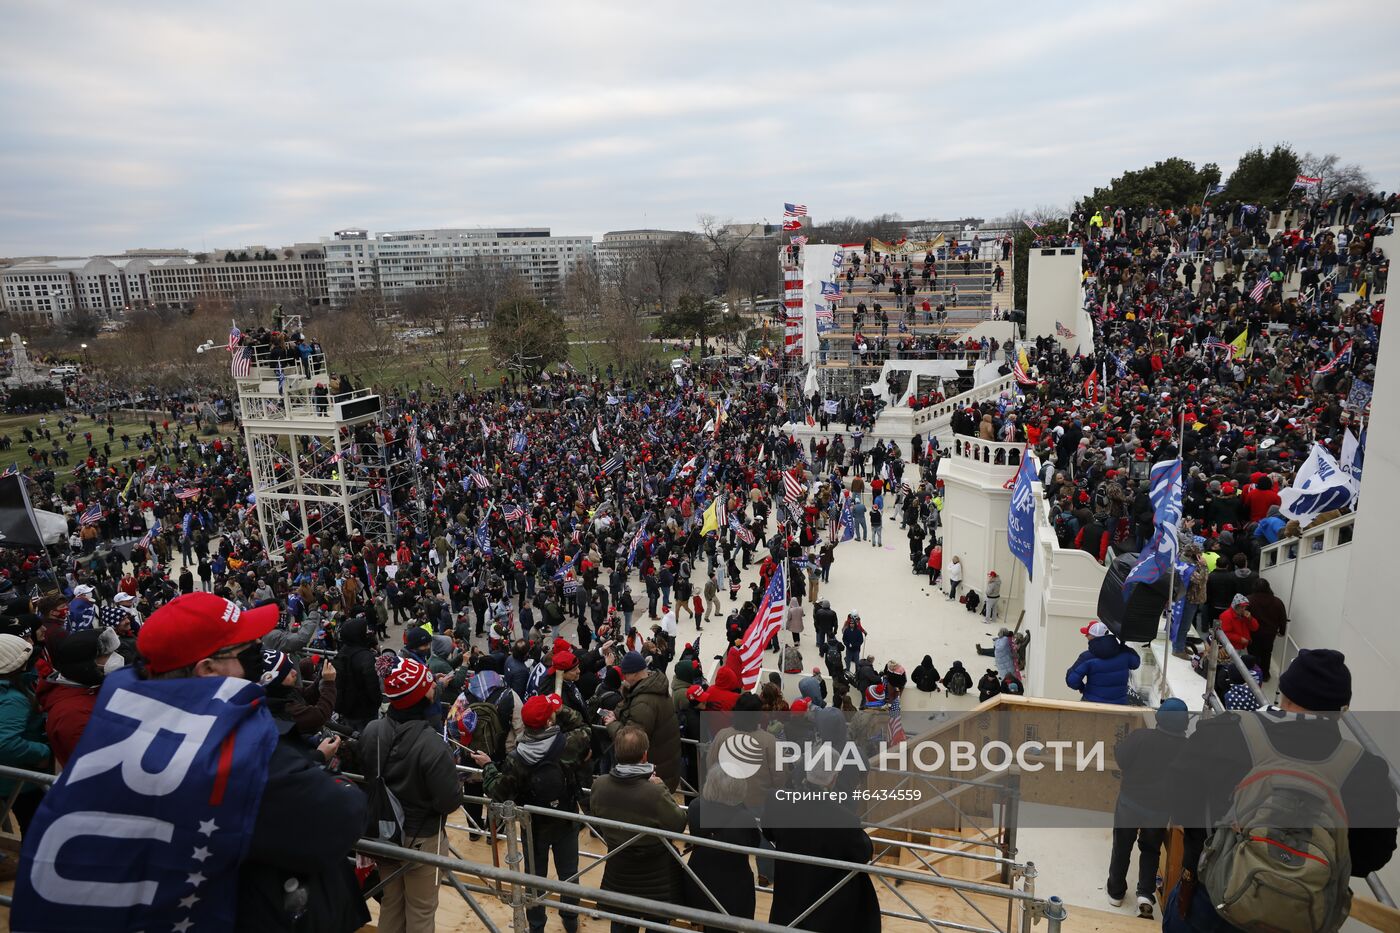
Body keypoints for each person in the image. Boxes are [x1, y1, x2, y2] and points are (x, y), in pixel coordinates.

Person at [1165, 650, 1399, 932]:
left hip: (1212, 903)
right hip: (1300, 914)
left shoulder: (1222, 733)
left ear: (1283, 692)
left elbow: (1178, 801)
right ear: (1341, 710)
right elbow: (1370, 858)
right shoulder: (1365, 770)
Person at [360, 656, 463, 933]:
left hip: (384, 833)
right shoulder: (432, 744)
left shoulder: (372, 730)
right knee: (421, 909)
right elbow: (449, 801)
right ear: (418, 697)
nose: (434, 688)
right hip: (422, 839)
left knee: (392, 902)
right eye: (429, 685)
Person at [480, 693, 590, 933]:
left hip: (534, 827)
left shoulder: (516, 759)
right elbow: (584, 727)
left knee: (534, 878)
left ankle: (536, 926)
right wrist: (561, 710)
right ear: (550, 722)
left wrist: (488, 766)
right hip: (566, 819)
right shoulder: (568, 744)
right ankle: (571, 921)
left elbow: (498, 792)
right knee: (569, 875)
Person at [587, 725, 688, 933]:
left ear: (616, 753)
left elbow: (596, 817)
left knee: (621, 922)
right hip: (655, 873)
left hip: (619, 867)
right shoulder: (654, 792)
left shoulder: (600, 785)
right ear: (645, 755)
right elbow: (678, 824)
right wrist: (660, 787)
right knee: (657, 924)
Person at [1106, 698, 1188, 919]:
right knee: (1151, 850)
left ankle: (1116, 893)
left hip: (1130, 803)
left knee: (1122, 846)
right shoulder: (1187, 748)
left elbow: (1122, 760)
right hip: (1159, 810)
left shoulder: (1141, 737)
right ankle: (1145, 895)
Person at [682, 768, 762, 930]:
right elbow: (754, 844)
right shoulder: (744, 817)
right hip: (733, 886)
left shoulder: (696, 806)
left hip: (699, 880)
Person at [601, 651, 682, 791]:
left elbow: (631, 740)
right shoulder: (652, 686)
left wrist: (612, 724)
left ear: (634, 674)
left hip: (652, 773)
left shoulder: (643, 701)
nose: (623, 678)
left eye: (625, 674)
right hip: (663, 765)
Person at [1065, 621, 1141, 705]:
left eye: (1088, 634)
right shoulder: (1124, 652)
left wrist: (1082, 688)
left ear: (1093, 637)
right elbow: (1135, 663)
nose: (1085, 636)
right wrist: (1124, 646)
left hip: (1092, 703)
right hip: (1119, 705)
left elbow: (1071, 680)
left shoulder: (1087, 657)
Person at [1246, 580, 1287, 680]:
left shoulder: (1249, 600)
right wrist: (1282, 631)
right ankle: (1265, 675)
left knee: (1253, 653)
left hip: (1253, 632)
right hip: (1270, 633)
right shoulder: (1277, 601)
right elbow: (1283, 618)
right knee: (1267, 653)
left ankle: (1254, 674)